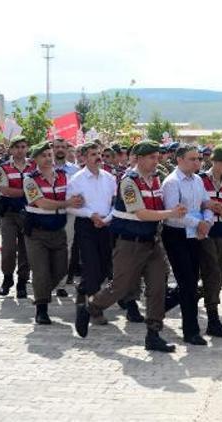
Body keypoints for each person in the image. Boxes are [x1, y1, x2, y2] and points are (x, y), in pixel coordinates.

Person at [76, 141, 186, 352]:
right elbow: (141, 213)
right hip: (130, 244)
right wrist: (171, 213)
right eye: (152, 157)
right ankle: (91, 307)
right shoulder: (128, 182)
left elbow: (157, 209)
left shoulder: (155, 180)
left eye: (157, 157)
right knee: (120, 287)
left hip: (152, 243)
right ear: (139, 158)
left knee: (157, 288)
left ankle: (153, 334)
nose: (157, 161)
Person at [23, 142, 83, 324]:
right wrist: (67, 204)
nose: (48, 158)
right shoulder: (30, 179)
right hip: (36, 233)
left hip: (58, 231)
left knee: (62, 270)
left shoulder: (65, 177)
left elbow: (76, 197)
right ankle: (42, 309)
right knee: (41, 272)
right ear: (35, 159)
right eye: (44, 156)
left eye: (49, 155)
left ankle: (41, 293)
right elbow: (42, 203)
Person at [161, 144, 214, 346]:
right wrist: (198, 223)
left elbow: (205, 203)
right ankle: (191, 330)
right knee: (188, 283)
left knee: (191, 280)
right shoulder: (172, 183)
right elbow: (174, 214)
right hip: (176, 234)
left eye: (198, 158)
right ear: (180, 160)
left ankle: (160, 307)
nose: (197, 162)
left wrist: (207, 222)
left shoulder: (198, 180)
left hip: (196, 234)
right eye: (192, 159)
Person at [67, 142, 116, 312]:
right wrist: (91, 215)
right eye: (93, 154)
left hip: (106, 225)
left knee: (104, 267)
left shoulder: (109, 178)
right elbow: (71, 206)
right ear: (84, 157)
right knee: (91, 265)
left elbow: (115, 204)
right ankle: (95, 308)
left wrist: (107, 218)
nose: (98, 157)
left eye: (99, 153)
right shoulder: (77, 180)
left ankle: (83, 288)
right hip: (86, 225)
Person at [198, 144, 222, 338]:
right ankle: (213, 318)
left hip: (221, 233)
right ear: (214, 161)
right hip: (203, 234)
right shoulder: (200, 180)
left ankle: (199, 294)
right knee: (213, 271)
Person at [0, 136, 34, 298]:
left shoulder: (34, 167)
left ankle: (22, 282)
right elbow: (4, 190)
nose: (20, 149)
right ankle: (7, 278)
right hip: (9, 213)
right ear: (11, 149)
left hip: (29, 213)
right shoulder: (3, 168)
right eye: (17, 147)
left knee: (26, 249)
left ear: (27, 148)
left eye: (23, 146)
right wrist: (27, 193)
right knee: (8, 249)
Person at [52, 138, 80, 298]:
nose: (60, 149)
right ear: (53, 148)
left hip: (69, 213)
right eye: (57, 147)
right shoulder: (44, 167)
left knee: (66, 247)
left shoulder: (75, 171)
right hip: (48, 212)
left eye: (63, 147)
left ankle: (61, 283)